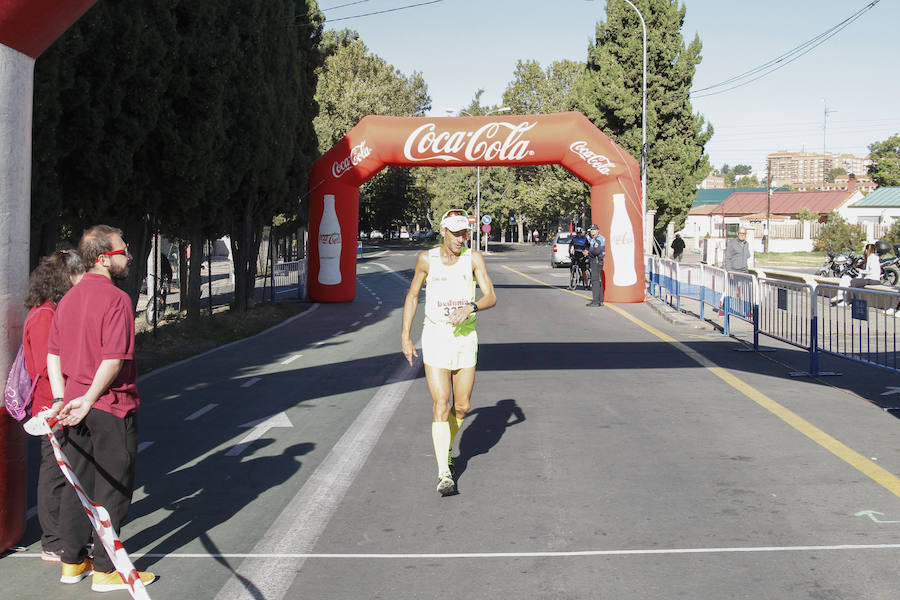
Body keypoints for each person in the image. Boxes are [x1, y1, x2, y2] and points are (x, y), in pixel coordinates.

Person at [45, 225, 157, 591]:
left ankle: (73, 561)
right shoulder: (117, 299)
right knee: (112, 489)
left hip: (74, 406)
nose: (129, 256)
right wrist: (91, 399)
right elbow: (113, 360)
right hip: (111, 405)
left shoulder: (68, 300)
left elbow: (53, 355)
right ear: (103, 259)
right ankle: (107, 570)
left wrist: (62, 399)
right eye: (123, 251)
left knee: (78, 486)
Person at [401, 209, 497, 496]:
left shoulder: (473, 258)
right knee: (441, 403)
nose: (460, 238)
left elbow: (491, 296)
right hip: (436, 337)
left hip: (465, 339)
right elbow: (412, 296)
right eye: (455, 233)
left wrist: (472, 306)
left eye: (464, 232)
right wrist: (405, 336)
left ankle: (446, 445)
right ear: (442, 231)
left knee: (462, 406)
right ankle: (444, 472)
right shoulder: (426, 259)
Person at [22, 250, 84, 563]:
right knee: (55, 471)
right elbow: (45, 365)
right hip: (52, 404)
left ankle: (63, 534)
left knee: (62, 469)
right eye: (77, 275)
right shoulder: (45, 315)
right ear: (64, 278)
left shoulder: (48, 310)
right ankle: (53, 539)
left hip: (57, 402)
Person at [585, 224, 606, 307]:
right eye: (591, 230)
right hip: (597, 260)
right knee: (598, 280)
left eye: (594, 229)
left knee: (595, 281)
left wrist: (588, 253)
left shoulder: (598, 239)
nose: (592, 231)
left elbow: (597, 251)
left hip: (596, 260)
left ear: (598, 230)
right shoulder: (596, 238)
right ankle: (600, 300)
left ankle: (595, 301)